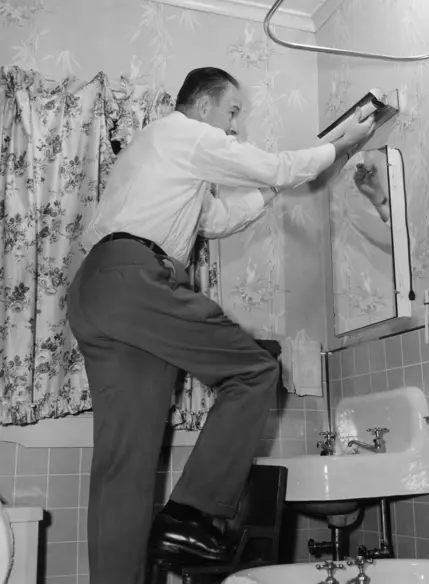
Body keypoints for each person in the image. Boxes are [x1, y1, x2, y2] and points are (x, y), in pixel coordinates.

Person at [67, 67, 379, 584]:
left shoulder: (158, 154)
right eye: (232, 111)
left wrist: (280, 187)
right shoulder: (186, 134)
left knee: (125, 466)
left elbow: (217, 220)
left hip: (96, 291)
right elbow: (274, 166)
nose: (234, 126)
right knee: (255, 370)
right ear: (204, 105)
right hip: (133, 279)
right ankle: (190, 513)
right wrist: (338, 145)